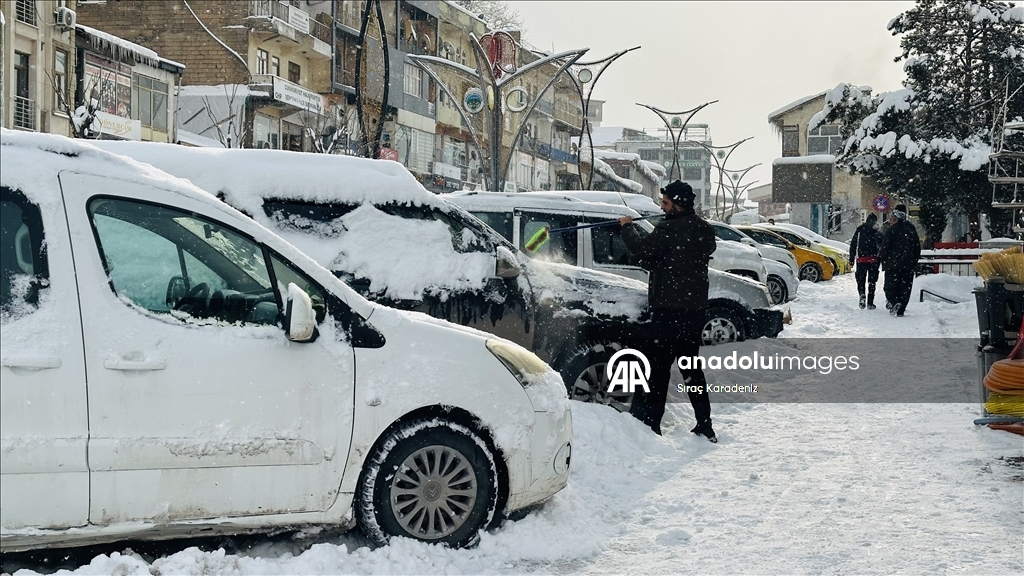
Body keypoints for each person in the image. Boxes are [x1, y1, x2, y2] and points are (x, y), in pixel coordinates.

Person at [618, 180, 718, 441]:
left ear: (678, 204)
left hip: (669, 312)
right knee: (691, 368)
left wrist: (628, 228)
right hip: (694, 312)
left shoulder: (668, 229)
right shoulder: (704, 230)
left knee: (658, 370)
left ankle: (651, 425)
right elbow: (674, 258)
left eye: (665, 203)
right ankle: (704, 423)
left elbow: (640, 250)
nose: (662, 208)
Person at [879, 204, 921, 317]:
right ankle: (901, 307)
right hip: (908, 265)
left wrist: (883, 259)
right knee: (905, 287)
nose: (890, 221)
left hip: (892, 265)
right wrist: (913, 261)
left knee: (890, 286)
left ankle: (894, 302)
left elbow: (884, 247)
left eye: (891, 219)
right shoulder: (911, 230)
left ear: (896, 219)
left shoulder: (890, 231)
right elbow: (917, 248)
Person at [849, 213, 882, 309]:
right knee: (872, 281)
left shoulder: (860, 229)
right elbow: (881, 246)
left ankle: (862, 294)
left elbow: (853, 245)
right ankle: (870, 302)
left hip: (861, 259)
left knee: (861, 279)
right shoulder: (877, 230)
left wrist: (852, 259)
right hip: (874, 259)